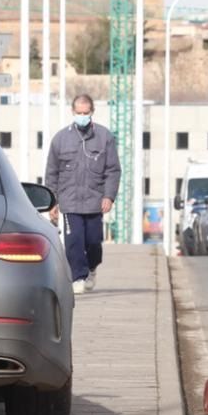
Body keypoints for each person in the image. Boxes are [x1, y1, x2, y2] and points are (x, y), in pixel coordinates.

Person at [45, 94, 121, 294]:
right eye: (79, 113)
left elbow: (113, 170)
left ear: (92, 112)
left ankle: (92, 267)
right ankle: (78, 277)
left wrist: (108, 196)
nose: (82, 116)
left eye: (86, 113)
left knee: (93, 242)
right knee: (74, 241)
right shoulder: (60, 139)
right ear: (72, 112)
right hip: (69, 202)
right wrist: (52, 201)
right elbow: (52, 172)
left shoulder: (105, 137)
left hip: (95, 200)